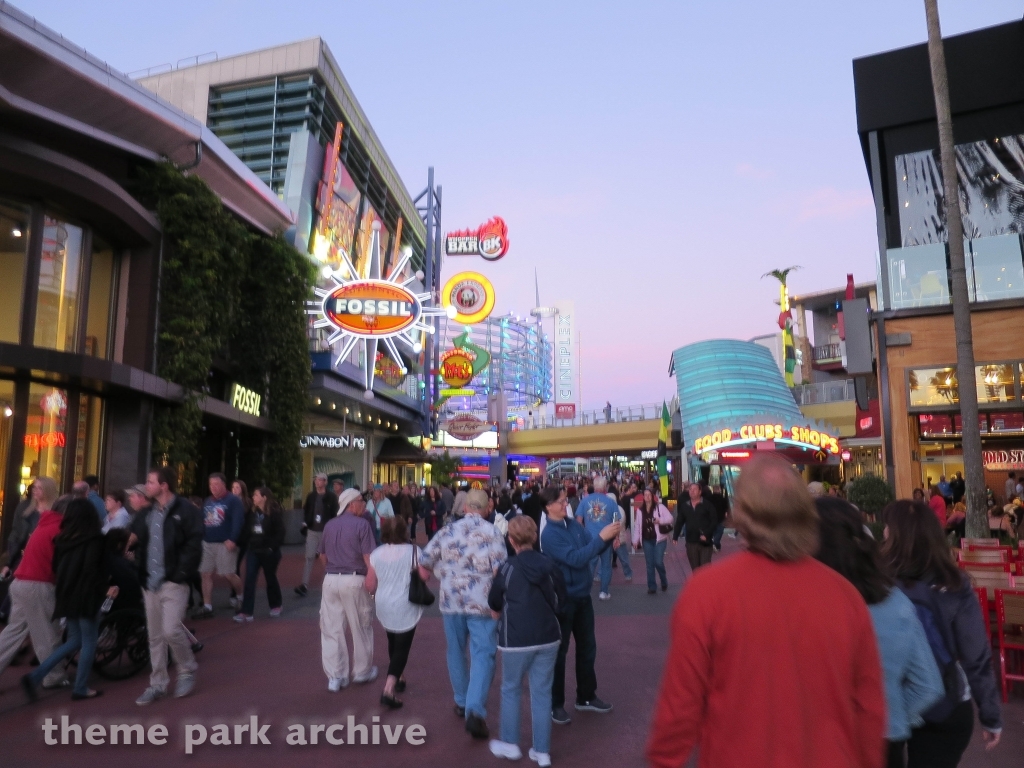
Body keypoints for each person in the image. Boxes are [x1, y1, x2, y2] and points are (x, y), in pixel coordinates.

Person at [647, 454, 886, 768]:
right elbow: (869, 709)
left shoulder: (707, 593)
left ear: (741, 513)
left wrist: (665, 760)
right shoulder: (845, 596)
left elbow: (679, 709)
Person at [814, 497, 944, 768]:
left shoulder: (803, 605)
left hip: (819, 742)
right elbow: (928, 685)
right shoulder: (897, 603)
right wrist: (891, 715)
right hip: (885, 738)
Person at [881, 499, 1002, 766]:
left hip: (888, 701)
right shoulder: (954, 585)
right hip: (944, 703)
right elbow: (976, 655)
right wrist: (990, 714)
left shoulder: (877, 584)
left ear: (893, 534)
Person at [418, 489, 507, 739]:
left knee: (455, 650)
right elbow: (500, 571)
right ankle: (475, 709)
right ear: (487, 508)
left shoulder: (447, 531)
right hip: (483, 603)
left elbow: (424, 567)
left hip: (451, 602)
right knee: (483, 654)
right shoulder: (493, 533)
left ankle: (460, 699)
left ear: (465, 507)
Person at [487, 516, 566, 767]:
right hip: (548, 634)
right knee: (542, 692)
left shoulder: (507, 568)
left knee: (510, 688)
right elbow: (561, 598)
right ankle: (541, 751)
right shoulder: (549, 565)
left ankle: (510, 743)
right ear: (534, 537)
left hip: (516, 637)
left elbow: (494, 602)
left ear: (510, 540)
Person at [22, 498, 119, 701]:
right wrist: (105, 589)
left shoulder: (62, 540)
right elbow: (93, 571)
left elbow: (57, 568)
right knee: (89, 640)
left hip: (66, 594)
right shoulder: (95, 540)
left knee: (75, 639)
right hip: (86, 596)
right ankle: (81, 686)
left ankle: (36, 675)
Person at [539, 485, 619, 725]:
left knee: (587, 647)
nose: (566, 504)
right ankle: (556, 704)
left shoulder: (573, 525)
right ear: (548, 506)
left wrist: (608, 537)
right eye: (562, 501)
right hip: (564, 599)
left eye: (565, 500)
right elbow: (576, 558)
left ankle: (585, 696)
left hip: (582, 595)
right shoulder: (549, 535)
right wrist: (602, 538)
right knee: (560, 653)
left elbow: (589, 546)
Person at [130, 466, 204, 704]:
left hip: (173, 581)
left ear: (164, 485)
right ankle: (157, 684)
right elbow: (136, 538)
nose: (147, 486)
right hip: (149, 581)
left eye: (151, 482)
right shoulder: (147, 513)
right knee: (154, 636)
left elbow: (194, 544)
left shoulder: (185, 511)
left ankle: (187, 668)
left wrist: (180, 573)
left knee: (171, 629)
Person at [0, 478, 68, 689]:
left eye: (39, 487)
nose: (35, 491)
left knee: (14, 630)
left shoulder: (42, 523)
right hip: (38, 583)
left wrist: (10, 564)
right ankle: (53, 675)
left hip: (21, 580)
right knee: (47, 633)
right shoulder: (59, 529)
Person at [318, 488, 378, 692]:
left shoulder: (330, 525)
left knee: (332, 629)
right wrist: (372, 578)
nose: (364, 504)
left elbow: (322, 556)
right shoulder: (362, 525)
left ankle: (336, 676)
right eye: (361, 501)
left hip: (331, 579)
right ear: (351, 504)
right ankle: (362, 671)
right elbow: (369, 558)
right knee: (361, 625)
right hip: (355, 579)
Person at [365, 515, 423, 709]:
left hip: (384, 602)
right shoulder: (414, 551)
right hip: (406, 603)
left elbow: (370, 584)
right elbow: (424, 575)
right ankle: (388, 688)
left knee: (392, 639)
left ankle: (399, 676)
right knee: (403, 647)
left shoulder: (376, 554)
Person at [196, 473, 244, 617]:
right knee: (205, 573)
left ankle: (241, 596)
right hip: (208, 541)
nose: (213, 487)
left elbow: (238, 520)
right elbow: (203, 519)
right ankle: (207, 605)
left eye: (216, 484)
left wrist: (233, 539)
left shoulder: (233, 501)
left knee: (228, 573)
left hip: (225, 542)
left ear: (224, 484)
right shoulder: (208, 502)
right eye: (211, 485)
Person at [234, 486, 285, 622]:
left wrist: (271, 548)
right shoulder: (251, 514)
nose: (253, 498)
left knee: (270, 578)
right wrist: (237, 542)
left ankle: (276, 604)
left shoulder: (274, 513)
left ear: (264, 497)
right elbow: (246, 532)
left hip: (269, 552)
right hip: (254, 550)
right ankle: (246, 611)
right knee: (249, 579)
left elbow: (280, 533)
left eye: (256, 495)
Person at [575, 477, 624, 600]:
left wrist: (582, 534)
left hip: (590, 538)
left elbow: (578, 520)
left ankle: (586, 590)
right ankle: (603, 592)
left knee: (590, 565)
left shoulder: (585, 501)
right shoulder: (611, 502)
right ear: (605, 486)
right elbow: (616, 522)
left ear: (594, 486)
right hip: (606, 538)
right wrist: (616, 537)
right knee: (606, 565)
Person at [296, 473, 340, 597]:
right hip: (312, 530)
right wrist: (306, 522)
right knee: (309, 557)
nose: (317, 482)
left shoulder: (331, 497)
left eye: (320, 480)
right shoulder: (311, 496)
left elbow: (335, 514)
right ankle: (304, 584)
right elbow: (307, 509)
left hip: (326, 531)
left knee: (327, 558)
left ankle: (331, 582)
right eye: (316, 480)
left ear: (325, 482)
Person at [634, 487, 672, 593]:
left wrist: (660, 520)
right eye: (645, 495)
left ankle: (664, 581)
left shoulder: (659, 507)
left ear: (652, 496)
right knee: (649, 564)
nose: (647, 497)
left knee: (658, 562)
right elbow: (637, 526)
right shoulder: (640, 511)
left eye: (649, 495)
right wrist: (635, 540)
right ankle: (652, 586)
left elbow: (670, 518)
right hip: (647, 540)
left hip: (659, 539)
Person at [674, 482, 715, 574]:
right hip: (691, 541)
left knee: (705, 568)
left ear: (700, 491)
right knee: (695, 569)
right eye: (690, 489)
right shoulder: (685, 506)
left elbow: (714, 521)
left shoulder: (707, 505)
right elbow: (679, 521)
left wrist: (707, 534)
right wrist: (675, 536)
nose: (692, 491)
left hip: (705, 542)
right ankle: (699, 587)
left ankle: (706, 587)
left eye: (694, 489)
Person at [229, 480, 252, 602]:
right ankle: (235, 592)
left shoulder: (247, 503)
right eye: (233, 487)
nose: (234, 489)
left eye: (237, 487)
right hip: (231, 538)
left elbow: (247, 523)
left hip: (242, 539)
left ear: (242, 489)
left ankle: (235, 593)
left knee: (235, 565)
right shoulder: (229, 502)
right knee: (230, 566)